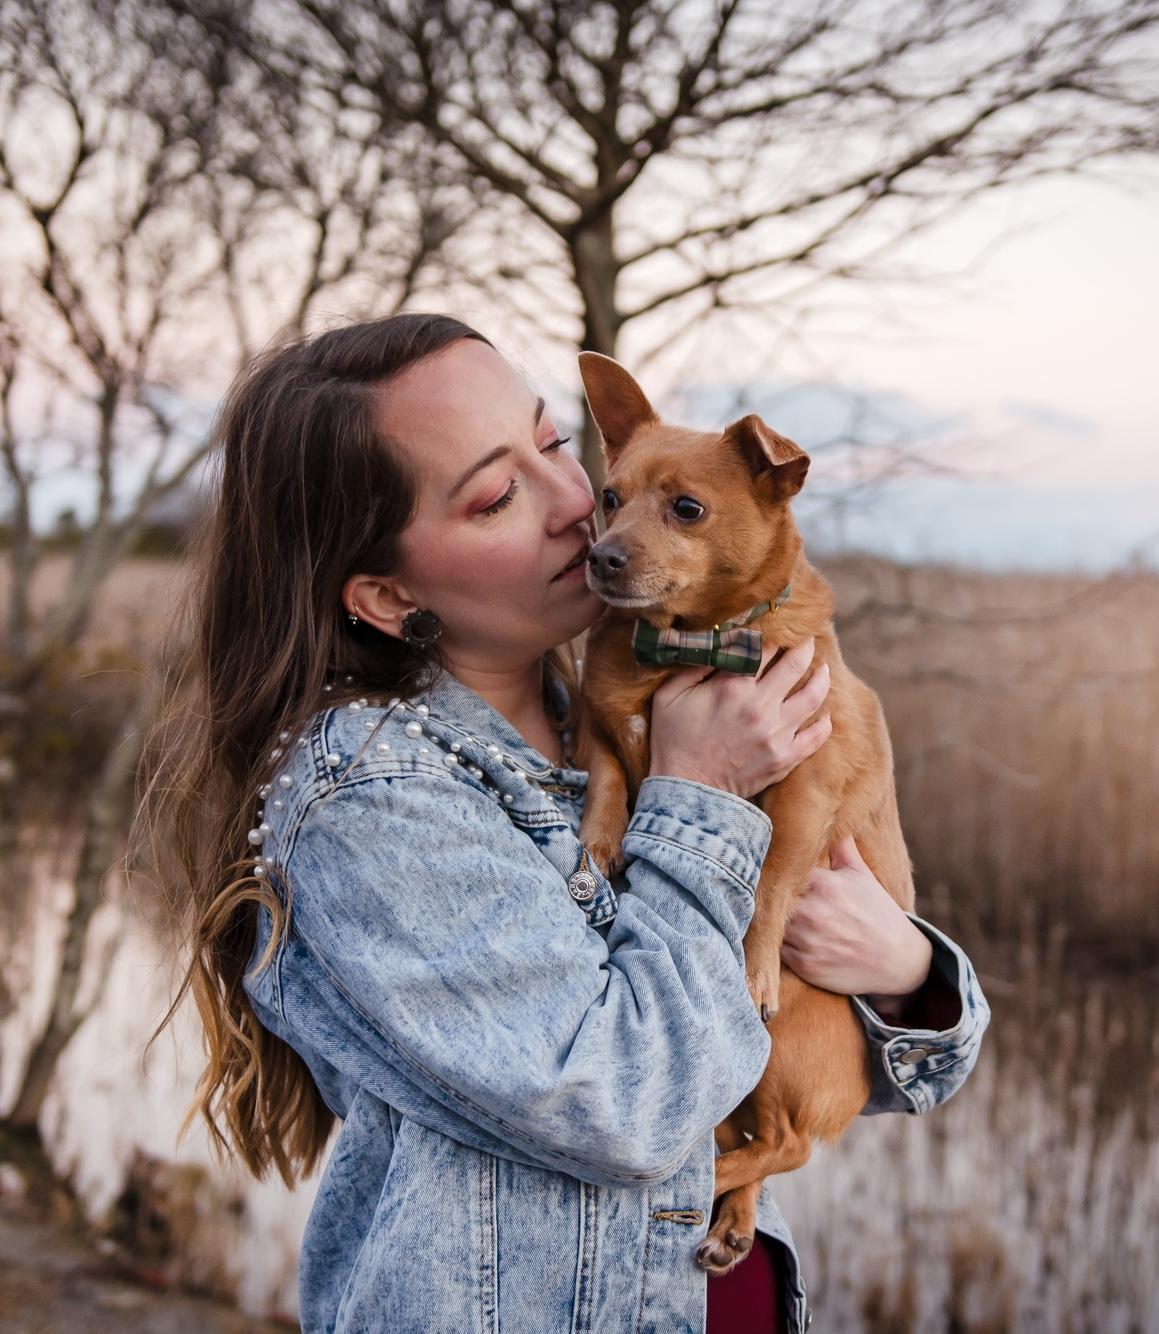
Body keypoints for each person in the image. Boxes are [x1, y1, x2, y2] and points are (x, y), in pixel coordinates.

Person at [138, 312, 991, 1334]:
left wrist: (904, 968)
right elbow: (628, 1107)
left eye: (553, 445)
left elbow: (888, 1069)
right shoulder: (372, 797)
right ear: (388, 594)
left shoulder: (619, 704)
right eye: (497, 495)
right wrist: (701, 794)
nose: (578, 508)